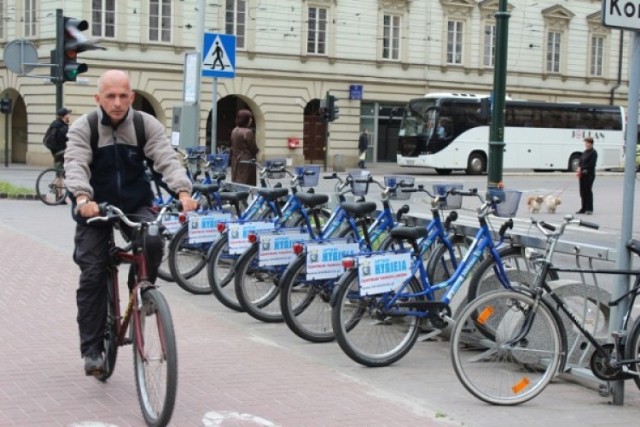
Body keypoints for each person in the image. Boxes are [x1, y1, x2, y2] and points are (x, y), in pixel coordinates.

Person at [63, 69, 198, 376]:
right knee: (93, 273)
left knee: (152, 238)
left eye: (123, 95)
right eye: (110, 96)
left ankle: (142, 287)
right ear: (98, 98)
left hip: (135, 202)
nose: (117, 102)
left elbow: (165, 158)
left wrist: (183, 190)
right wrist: (83, 198)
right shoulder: (85, 128)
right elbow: (75, 163)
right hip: (95, 206)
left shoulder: (143, 124)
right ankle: (93, 350)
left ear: (132, 97)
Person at [230, 109, 259, 185]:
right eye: (250, 118)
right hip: (246, 161)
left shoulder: (234, 130)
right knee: (246, 183)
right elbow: (253, 148)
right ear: (246, 120)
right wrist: (257, 150)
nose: (251, 120)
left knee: (237, 181)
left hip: (235, 159)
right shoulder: (247, 132)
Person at [576, 136, 597, 215]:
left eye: (587, 143)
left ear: (591, 143)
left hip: (589, 175)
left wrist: (582, 168)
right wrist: (579, 167)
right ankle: (583, 208)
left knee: (588, 191)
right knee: (582, 192)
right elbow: (581, 161)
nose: (586, 144)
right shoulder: (585, 152)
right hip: (582, 174)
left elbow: (592, 164)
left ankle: (589, 209)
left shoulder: (593, 152)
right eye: (585, 143)